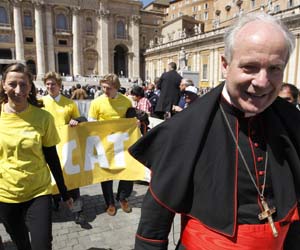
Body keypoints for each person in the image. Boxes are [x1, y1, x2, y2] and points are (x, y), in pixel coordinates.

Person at [129, 12, 300, 249]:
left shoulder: (293, 122)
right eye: (250, 67)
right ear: (225, 65)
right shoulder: (183, 129)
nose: (262, 81)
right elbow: (153, 228)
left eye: (275, 68)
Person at [0, 63, 73, 250]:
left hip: (38, 192)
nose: (18, 90)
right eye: (12, 84)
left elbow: (52, 157)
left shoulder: (43, 118)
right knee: (21, 244)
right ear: (3, 85)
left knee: (42, 245)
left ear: (31, 87)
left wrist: (64, 193)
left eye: (23, 84)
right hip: (5, 195)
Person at [42, 71, 86, 224]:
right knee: (52, 177)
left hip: (67, 146)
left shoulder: (69, 103)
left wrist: (76, 120)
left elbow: (82, 119)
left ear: (60, 86)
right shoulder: (40, 103)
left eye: (53, 84)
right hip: (48, 147)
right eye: (47, 84)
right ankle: (55, 201)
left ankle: (78, 212)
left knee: (73, 181)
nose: (50, 86)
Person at [88, 73, 134, 216]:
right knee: (106, 175)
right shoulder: (96, 102)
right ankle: (109, 202)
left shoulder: (126, 101)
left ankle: (123, 197)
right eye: (103, 88)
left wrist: (135, 122)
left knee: (127, 170)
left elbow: (130, 120)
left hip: (122, 143)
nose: (105, 91)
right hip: (104, 144)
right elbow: (91, 121)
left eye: (108, 88)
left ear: (116, 88)